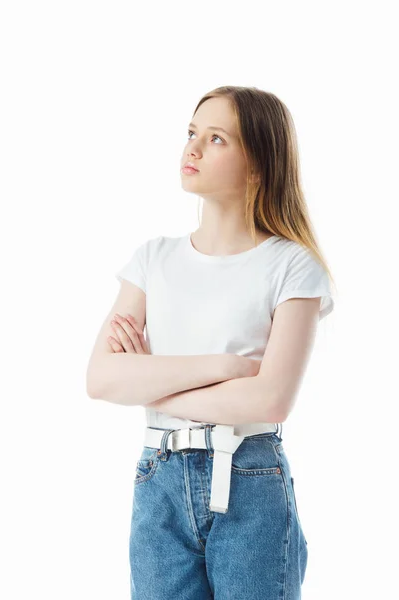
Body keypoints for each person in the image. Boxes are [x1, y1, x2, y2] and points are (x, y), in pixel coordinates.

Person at [87, 86, 336, 599]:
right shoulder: (152, 259)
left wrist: (150, 385)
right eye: (192, 133)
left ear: (259, 164)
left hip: (250, 474)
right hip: (158, 475)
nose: (192, 149)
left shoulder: (292, 266)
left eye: (217, 138)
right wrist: (225, 366)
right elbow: (102, 379)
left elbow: (270, 400)